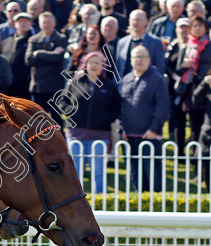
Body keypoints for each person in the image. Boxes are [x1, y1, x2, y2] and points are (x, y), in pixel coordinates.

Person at [59, 51, 122, 194]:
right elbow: (62, 101)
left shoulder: (109, 86)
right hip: (75, 135)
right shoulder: (74, 82)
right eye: (91, 62)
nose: (94, 65)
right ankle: (75, 202)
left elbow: (117, 106)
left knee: (98, 170)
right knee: (76, 172)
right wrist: (71, 112)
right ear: (85, 65)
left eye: (98, 63)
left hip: (99, 135)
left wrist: (107, 118)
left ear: (103, 67)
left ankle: (101, 200)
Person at [120, 46, 170, 191]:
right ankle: (139, 202)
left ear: (149, 60)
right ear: (131, 60)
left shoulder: (157, 79)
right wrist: (122, 129)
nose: (139, 60)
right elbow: (121, 107)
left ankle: (155, 206)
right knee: (135, 172)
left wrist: (154, 129)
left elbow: (163, 107)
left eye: (142, 57)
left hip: (149, 136)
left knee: (153, 174)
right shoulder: (126, 79)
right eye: (136, 57)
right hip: (129, 135)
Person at [25, 12, 67, 124]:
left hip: (54, 88)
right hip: (37, 87)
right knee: (37, 121)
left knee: (56, 120)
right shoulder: (33, 39)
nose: (46, 25)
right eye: (44, 22)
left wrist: (39, 53)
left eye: (49, 22)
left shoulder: (60, 39)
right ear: (39, 24)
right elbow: (28, 59)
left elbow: (58, 57)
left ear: (54, 23)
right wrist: (50, 56)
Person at [180, 16, 211, 144]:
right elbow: (178, 69)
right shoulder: (186, 46)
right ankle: (195, 154)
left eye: (200, 26)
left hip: (207, 87)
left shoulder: (209, 45)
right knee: (194, 124)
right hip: (191, 89)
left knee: (206, 123)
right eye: (195, 26)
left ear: (206, 29)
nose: (197, 29)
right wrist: (183, 66)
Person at [115, 10, 166, 78]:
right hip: (125, 85)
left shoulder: (155, 42)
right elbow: (118, 68)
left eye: (138, 20)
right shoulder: (122, 42)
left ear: (146, 21)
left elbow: (159, 68)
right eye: (133, 20)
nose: (136, 23)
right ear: (129, 21)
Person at [166, 17, 192, 149]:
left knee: (193, 122)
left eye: (186, 28)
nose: (184, 31)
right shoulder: (173, 45)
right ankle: (180, 152)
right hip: (175, 90)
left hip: (190, 88)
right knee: (178, 122)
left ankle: (195, 151)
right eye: (181, 28)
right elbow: (166, 64)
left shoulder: (194, 46)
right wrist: (175, 74)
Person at [0, 12, 32, 98]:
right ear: (15, 23)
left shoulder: (34, 41)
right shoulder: (6, 41)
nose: (23, 23)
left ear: (31, 23)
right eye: (20, 21)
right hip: (8, 84)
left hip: (26, 84)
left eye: (26, 21)